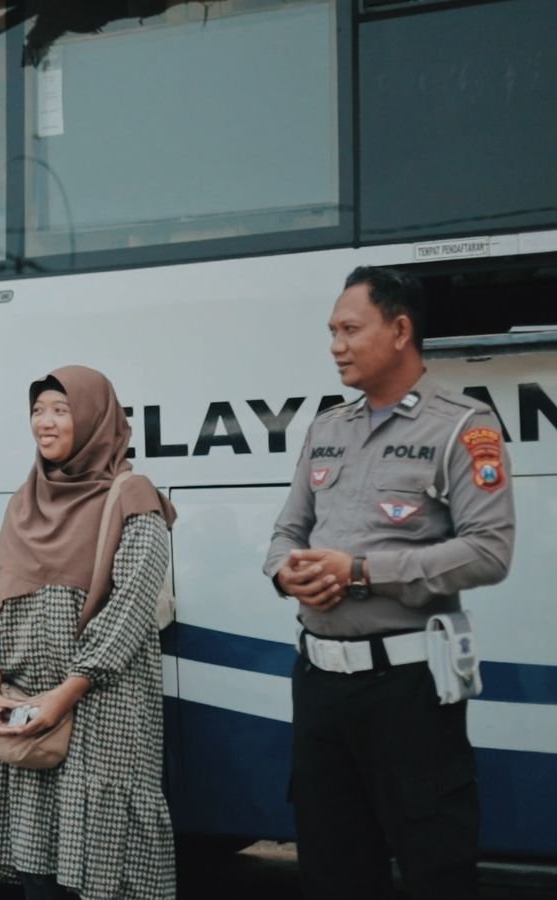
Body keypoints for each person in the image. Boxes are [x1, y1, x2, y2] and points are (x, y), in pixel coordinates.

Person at [264, 266, 516, 900]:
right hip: (319, 688)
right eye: (331, 332)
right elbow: (284, 536)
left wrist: (361, 574)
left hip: (408, 692)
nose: (336, 345)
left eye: (350, 329)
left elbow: (489, 552)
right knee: (331, 869)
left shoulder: (464, 426)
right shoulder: (327, 428)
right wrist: (289, 575)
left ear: (400, 330)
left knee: (437, 868)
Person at [0, 365, 177, 900]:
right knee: (39, 875)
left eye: (60, 410)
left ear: (94, 418)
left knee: (103, 879)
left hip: (100, 721)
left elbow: (128, 613)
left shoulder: (134, 500)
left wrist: (63, 696)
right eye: (38, 410)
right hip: (29, 718)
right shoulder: (24, 503)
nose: (45, 422)